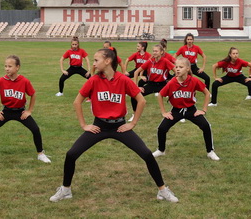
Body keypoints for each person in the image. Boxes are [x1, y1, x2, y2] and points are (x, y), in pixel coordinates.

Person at [49, 48, 178, 203]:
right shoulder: (94, 80)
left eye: (96, 60)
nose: (94, 64)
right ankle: (65, 190)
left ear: (108, 61)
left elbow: (141, 100)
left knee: (146, 154)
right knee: (71, 154)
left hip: (120, 127)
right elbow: (77, 102)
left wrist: (133, 123)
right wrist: (84, 125)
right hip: (99, 126)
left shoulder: (123, 79)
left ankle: (163, 190)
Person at [0, 55, 51, 163]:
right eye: (5, 66)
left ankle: (40, 154)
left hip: (20, 112)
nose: (7, 68)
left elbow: (33, 94)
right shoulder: (1, 81)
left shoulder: (24, 81)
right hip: (6, 111)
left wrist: (29, 111)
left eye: (10, 66)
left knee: (35, 129)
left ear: (17, 67)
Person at [153, 57, 219, 161]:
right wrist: (164, 112)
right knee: (162, 128)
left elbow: (207, 93)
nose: (177, 69)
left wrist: (203, 110)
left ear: (188, 69)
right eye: (176, 67)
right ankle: (161, 150)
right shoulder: (171, 82)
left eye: (181, 67)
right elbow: (160, 95)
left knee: (206, 126)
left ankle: (210, 151)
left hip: (191, 110)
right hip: (176, 110)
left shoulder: (194, 80)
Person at [129, 44, 175, 122]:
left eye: (156, 51)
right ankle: (135, 114)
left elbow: (176, 72)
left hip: (162, 84)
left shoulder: (165, 61)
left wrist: (172, 81)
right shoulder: (150, 61)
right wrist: (136, 86)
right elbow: (136, 72)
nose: (154, 52)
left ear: (161, 52)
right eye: (153, 51)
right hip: (151, 84)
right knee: (134, 95)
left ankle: (178, 114)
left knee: (176, 96)